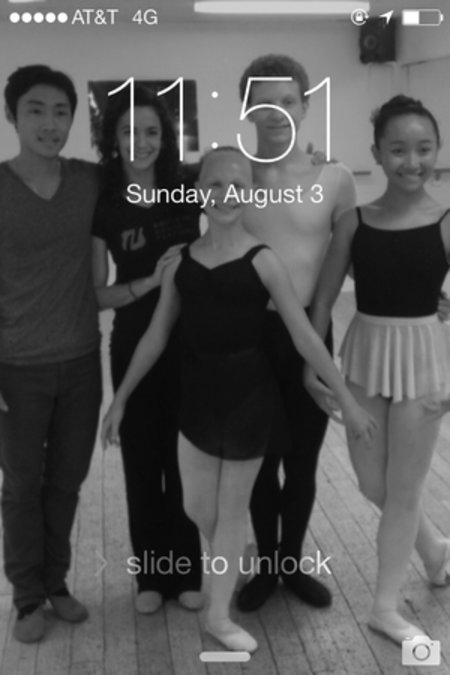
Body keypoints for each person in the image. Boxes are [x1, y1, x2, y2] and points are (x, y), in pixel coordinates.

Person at [101, 146, 377, 652]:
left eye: (237, 186)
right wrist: (120, 399)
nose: (226, 195)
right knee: (195, 505)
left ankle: (219, 615)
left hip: (250, 398)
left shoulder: (264, 260)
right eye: (215, 185)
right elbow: (156, 336)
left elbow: (304, 336)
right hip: (197, 396)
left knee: (230, 512)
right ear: (198, 191)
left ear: (251, 194)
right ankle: (239, 554)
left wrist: (347, 399)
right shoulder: (182, 262)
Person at [305, 95, 450, 644]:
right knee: (372, 482)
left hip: (423, 362)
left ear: (437, 151)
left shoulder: (445, 222)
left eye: (424, 149)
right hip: (365, 355)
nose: (412, 161)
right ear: (377, 154)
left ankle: (384, 608)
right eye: (398, 150)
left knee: (405, 489)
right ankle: (435, 550)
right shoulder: (354, 222)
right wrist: (314, 368)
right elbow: (322, 302)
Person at [236, 54, 357, 612]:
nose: (277, 113)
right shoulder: (232, 176)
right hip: (249, 338)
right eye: (264, 103)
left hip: (311, 328)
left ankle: (291, 563)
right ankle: (266, 566)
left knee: (302, 462)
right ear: (247, 110)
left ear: (305, 106)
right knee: (260, 462)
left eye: (288, 101)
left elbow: (344, 265)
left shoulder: (336, 179)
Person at [0, 65, 102, 643]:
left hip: (82, 361)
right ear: (11, 116)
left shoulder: (88, 180)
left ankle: (56, 583)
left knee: (66, 482)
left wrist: (278, 169)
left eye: (61, 112)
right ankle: (26, 598)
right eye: (35, 110)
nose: (49, 123)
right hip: (15, 368)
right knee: (20, 487)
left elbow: (163, 174)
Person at [92, 86, 203, 614]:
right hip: (134, 340)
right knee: (141, 463)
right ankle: (150, 578)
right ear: (113, 138)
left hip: (191, 343)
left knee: (184, 461)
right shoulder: (105, 202)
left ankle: (187, 572)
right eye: (129, 131)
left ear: (166, 136)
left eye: (152, 131)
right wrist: (148, 283)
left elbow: (242, 182)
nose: (141, 141)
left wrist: (315, 163)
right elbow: (97, 293)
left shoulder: (187, 185)